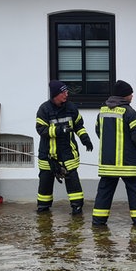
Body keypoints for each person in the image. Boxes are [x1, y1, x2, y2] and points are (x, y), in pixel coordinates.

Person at [92, 80, 136, 225]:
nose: (132, 96)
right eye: (130, 93)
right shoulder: (129, 112)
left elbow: (99, 132)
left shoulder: (102, 111)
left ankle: (98, 222)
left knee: (104, 193)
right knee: (135, 192)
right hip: (128, 163)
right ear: (124, 96)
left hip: (108, 163)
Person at [35, 80, 93, 215]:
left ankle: (77, 207)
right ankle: (43, 208)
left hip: (67, 152)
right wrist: (59, 130)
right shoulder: (44, 109)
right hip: (48, 153)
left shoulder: (71, 107)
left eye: (66, 91)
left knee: (73, 181)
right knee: (45, 181)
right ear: (56, 94)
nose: (67, 94)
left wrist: (85, 139)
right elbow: (41, 130)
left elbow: (78, 125)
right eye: (63, 92)